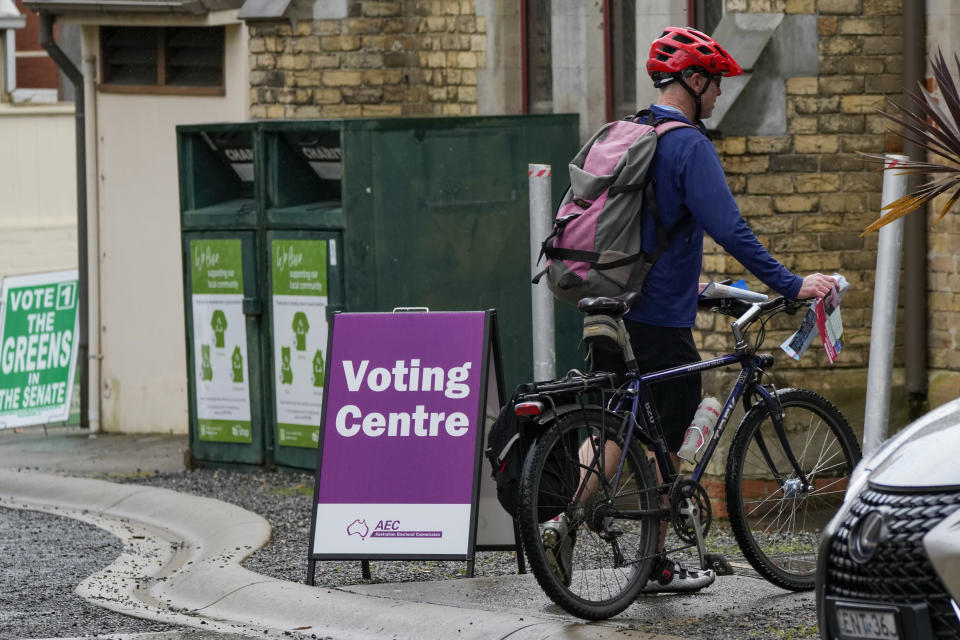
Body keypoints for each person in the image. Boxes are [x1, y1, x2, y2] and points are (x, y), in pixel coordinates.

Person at [541, 26, 837, 594]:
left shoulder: (633, 130)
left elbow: (648, 237)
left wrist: (702, 291)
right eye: (715, 83)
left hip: (608, 303)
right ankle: (620, 546)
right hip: (656, 322)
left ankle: (581, 528)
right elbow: (730, 228)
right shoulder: (688, 145)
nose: (720, 94)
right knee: (670, 428)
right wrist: (790, 282)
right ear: (693, 81)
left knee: (617, 422)